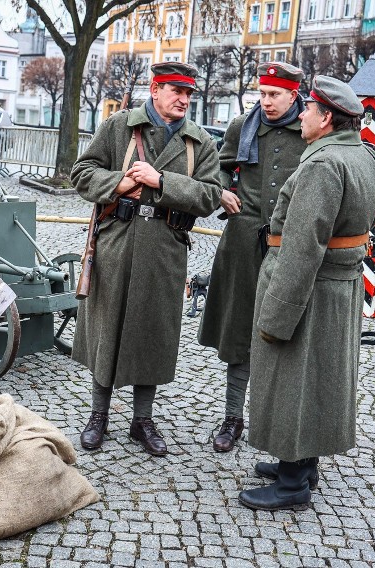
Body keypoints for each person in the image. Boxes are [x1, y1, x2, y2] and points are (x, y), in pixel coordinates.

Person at [240, 76, 375, 511]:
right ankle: (301, 463)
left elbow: (302, 247)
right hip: (336, 287)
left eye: (308, 109)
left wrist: (277, 315)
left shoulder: (323, 165)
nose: (300, 114)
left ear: (326, 118)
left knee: (292, 382)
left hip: (310, 289)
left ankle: (291, 485)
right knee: (316, 382)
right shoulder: (362, 155)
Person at [70, 62, 222, 457]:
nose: (184, 100)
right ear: (155, 90)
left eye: (189, 94)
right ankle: (98, 415)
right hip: (116, 243)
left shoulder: (199, 141)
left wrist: (162, 182)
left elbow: (210, 196)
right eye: (176, 91)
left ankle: (142, 420)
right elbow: (81, 172)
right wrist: (117, 183)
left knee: (152, 333)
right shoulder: (120, 127)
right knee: (108, 327)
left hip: (164, 250)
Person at [197, 62, 307, 452]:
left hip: (290, 247)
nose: (267, 102)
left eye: (274, 95)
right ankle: (232, 418)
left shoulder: (309, 131)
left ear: (294, 94)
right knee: (240, 329)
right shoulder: (242, 128)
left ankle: (276, 419)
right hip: (243, 243)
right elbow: (219, 169)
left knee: (285, 331)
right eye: (262, 94)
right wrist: (223, 192)